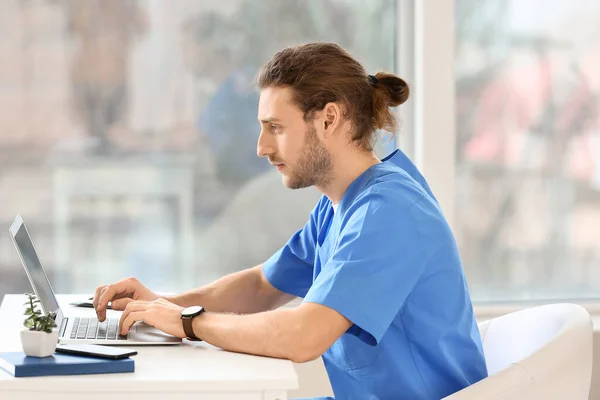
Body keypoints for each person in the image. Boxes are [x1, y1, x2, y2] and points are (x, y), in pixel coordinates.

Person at [93, 43, 488, 399]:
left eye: (276, 128)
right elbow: (263, 286)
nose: (262, 148)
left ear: (329, 119)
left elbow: (303, 336)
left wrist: (187, 322)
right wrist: (159, 304)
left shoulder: (388, 211)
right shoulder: (339, 204)